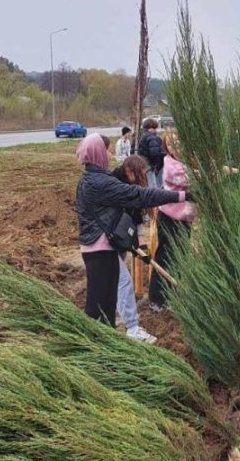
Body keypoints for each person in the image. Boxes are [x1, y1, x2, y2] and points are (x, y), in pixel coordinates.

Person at [75, 133, 190, 327]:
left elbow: (132, 215)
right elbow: (140, 195)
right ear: (96, 153)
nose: (110, 154)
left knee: (106, 297)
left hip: (105, 243)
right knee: (110, 294)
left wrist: (140, 244)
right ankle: (128, 328)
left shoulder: (93, 178)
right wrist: (182, 196)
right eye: (106, 150)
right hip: (101, 247)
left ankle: (108, 329)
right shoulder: (102, 182)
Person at [111, 155, 157, 343]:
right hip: (109, 239)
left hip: (122, 238)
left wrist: (138, 245)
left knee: (115, 278)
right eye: (140, 175)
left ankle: (115, 311)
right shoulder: (114, 185)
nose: (142, 179)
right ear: (130, 171)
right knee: (124, 281)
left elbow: (136, 217)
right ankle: (131, 327)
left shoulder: (133, 187)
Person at [149, 130, 195, 311]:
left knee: (180, 256)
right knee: (165, 256)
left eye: (177, 143)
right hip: (170, 218)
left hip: (184, 219)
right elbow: (195, 177)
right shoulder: (171, 165)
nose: (174, 147)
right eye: (170, 144)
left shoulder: (185, 161)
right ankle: (157, 299)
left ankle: (173, 294)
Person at [137, 118, 165, 187]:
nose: (156, 130)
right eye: (155, 128)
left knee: (148, 183)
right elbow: (154, 153)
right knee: (153, 184)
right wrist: (157, 165)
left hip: (144, 164)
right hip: (151, 165)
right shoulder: (152, 138)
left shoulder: (143, 137)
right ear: (151, 128)